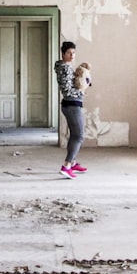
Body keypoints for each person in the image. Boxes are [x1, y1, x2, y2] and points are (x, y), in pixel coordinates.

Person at [55, 40, 88, 179]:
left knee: (74, 135)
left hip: (70, 104)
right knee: (79, 135)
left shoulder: (65, 67)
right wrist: (82, 89)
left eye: (74, 53)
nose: (72, 55)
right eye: (69, 53)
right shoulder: (65, 68)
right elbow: (68, 90)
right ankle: (67, 165)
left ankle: (73, 162)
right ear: (63, 54)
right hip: (72, 104)